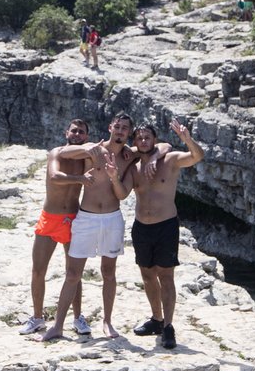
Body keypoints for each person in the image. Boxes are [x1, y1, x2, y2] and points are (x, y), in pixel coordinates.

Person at [42, 114, 165, 341]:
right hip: (86, 218)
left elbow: (164, 145)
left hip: (112, 218)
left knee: (108, 273)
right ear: (110, 127)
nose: (119, 131)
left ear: (129, 133)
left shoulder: (130, 156)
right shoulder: (95, 149)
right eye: (117, 127)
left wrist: (155, 156)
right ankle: (58, 325)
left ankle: (107, 322)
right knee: (72, 273)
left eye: (124, 129)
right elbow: (61, 152)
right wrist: (90, 149)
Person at [129, 120, 204, 350]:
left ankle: (169, 326)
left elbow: (197, 156)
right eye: (139, 138)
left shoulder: (170, 161)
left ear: (155, 139)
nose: (143, 141)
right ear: (135, 142)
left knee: (166, 276)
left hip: (165, 226)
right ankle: (156, 320)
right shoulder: (132, 164)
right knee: (147, 275)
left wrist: (187, 139)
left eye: (147, 137)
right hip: (141, 226)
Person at [21, 119, 93, 336]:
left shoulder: (85, 157)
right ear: (66, 132)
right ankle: (37, 317)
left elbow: (104, 152)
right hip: (50, 218)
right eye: (74, 130)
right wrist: (80, 178)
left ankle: (77, 317)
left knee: (74, 272)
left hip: (73, 218)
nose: (77, 134)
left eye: (81, 132)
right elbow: (54, 176)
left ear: (85, 137)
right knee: (38, 269)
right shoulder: (57, 153)